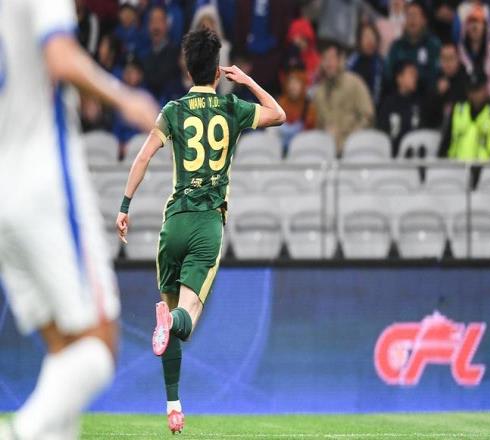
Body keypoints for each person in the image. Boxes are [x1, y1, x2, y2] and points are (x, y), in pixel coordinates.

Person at [0, 0, 158, 439]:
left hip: (3, 191)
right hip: (43, 180)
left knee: (64, 348)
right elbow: (60, 57)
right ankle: (19, 433)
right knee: (98, 345)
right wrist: (125, 97)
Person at [115, 28, 285, 434]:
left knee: (170, 322)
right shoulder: (231, 107)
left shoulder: (173, 110)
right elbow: (278, 114)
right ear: (218, 70)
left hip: (173, 223)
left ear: (187, 68)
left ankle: (173, 406)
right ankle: (171, 323)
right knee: (185, 318)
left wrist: (124, 206)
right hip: (207, 224)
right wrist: (247, 81)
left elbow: (143, 156)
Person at [313, 41, 374, 156]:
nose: (328, 63)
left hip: (354, 150)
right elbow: (318, 125)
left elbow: (367, 116)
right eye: (325, 59)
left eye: (331, 58)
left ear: (341, 60)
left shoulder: (355, 83)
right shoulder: (319, 92)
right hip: (327, 152)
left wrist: (351, 138)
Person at [439, 71, 490, 160]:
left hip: (487, 166)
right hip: (456, 164)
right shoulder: (459, 110)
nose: (474, 95)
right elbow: (446, 141)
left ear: (485, 89)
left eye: (477, 90)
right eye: (471, 90)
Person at [385, 1, 441, 94]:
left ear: (424, 20)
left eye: (415, 15)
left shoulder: (433, 45)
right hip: (400, 95)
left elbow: (437, 73)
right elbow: (388, 73)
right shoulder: (397, 45)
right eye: (409, 15)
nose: (412, 20)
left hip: (426, 95)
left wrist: (415, 76)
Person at [378, 60, 424, 156]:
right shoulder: (388, 104)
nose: (415, 77)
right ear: (399, 78)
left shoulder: (420, 102)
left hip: (416, 157)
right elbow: (382, 133)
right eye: (411, 74)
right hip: (392, 158)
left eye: (415, 74)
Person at [458, 5, 490, 100]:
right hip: (464, 99)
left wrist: (485, 92)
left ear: (485, 27)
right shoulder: (459, 51)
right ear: (465, 27)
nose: (474, 26)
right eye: (471, 22)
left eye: (478, 22)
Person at [424, 42, 468, 129]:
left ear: (458, 58)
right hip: (437, 130)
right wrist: (438, 94)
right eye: (444, 58)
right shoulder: (435, 80)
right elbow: (427, 116)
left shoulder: (467, 81)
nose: (447, 63)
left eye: (451, 58)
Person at [142, 5, 180, 101]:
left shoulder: (176, 53)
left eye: (159, 21)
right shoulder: (143, 53)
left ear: (167, 25)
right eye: (152, 21)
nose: (155, 26)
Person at [277, 69, 317, 154]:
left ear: (303, 86)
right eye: (290, 83)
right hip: (281, 150)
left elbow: (311, 130)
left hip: (303, 149)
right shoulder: (280, 103)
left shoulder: (308, 106)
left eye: (296, 83)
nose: (292, 87)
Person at [347, 22, 385, 106]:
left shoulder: (380, 63)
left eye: (372, 36)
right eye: (366, 36)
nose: (370, 40)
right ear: (359, 40)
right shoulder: (353, 60)